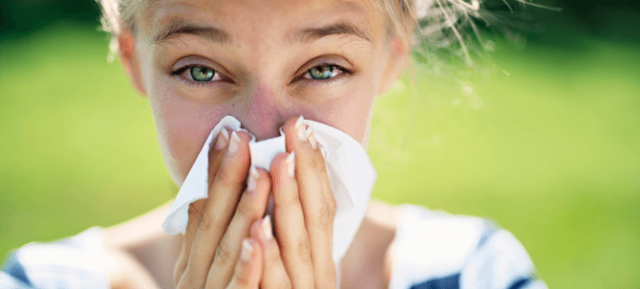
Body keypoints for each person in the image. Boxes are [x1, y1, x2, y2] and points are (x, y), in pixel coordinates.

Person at [1, 0, 547, 288]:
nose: (262, 135)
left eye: (324, 68)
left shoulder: (476, 274)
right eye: (199, 71)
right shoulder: (42, 283)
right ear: (133, 61)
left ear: (391, 59)